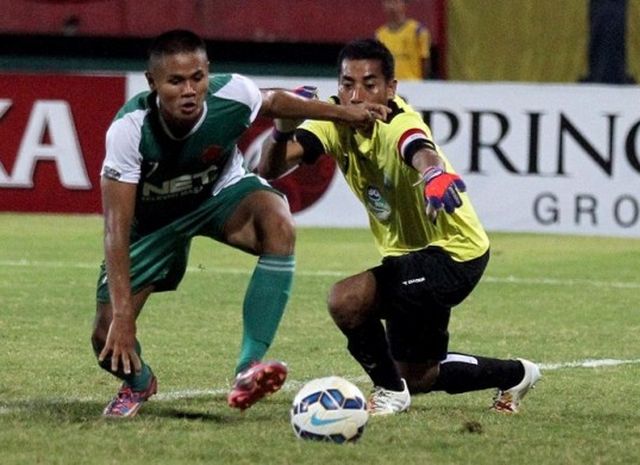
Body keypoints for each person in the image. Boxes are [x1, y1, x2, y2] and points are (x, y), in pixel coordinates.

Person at [92, 29, 389, 418]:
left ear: (207, 73)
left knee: (279, 224)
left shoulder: (231, 94)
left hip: (218, 194)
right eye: (175, 81)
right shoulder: (129, 131)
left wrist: (344, 113)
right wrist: (124, 317)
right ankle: (140, 383)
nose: (189, 91)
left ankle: (248, 368)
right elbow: (115, 229)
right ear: (152, 84)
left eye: (197, 78)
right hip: (153, 223)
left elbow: (274, 101)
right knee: (106, 340)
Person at [257, 38, 540, 415]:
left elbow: (419, 148)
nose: (356, 96)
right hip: (408, 257)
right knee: (418, 374)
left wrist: (434, 173)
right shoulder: (332, 121)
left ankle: (388, 393)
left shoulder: (397, 122)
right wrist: (281, 131)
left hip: (454, 252)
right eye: (346, 84)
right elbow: (269, 169)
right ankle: (516, 374)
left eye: (369, 84)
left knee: (346, 299)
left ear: (391, 89)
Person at [375, 0, 431, 80]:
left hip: (413, 86)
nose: (392, 6)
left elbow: (425, 61)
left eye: (396, 2)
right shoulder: (380, 35)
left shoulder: (417, 31)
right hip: (391, 86)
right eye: (388, 2)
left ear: (404, 4)